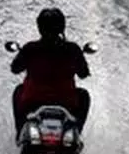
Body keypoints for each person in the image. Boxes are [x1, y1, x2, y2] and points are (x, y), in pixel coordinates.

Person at [11, 8, 91, 140]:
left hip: (33, 100)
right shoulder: (72, 49)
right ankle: (77, 132)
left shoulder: (30, 48)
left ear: (40, 27)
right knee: (84, 95)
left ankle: (20, 132)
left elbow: (15, 69)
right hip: (66, 101)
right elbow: (83, 73)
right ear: (62, 26)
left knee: (18, 90)